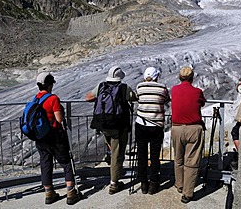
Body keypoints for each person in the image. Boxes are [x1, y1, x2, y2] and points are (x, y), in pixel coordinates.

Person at [85, 66, 137, 195]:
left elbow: (88, 97)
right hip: (118, 125)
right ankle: (114, 183)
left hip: (103, 124)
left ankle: (113, 170)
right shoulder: (124, 88)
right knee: (117, 153)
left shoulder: (101, 86)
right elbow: (134, 97)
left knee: (112, 149)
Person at [34, 72, 81, 205]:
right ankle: (71, 193)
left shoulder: (35, 98)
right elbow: (59, 119)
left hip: (40, 137)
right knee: (66, 162)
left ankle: (49, 193)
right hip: (54, 135)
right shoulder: (53, 99)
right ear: (49, 85)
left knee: (46, 163)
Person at [171, 67, 206, 203]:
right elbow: (202, 102)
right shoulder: (197, 92)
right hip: (193, 128)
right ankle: (187, 192)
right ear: (192, 78)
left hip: (177, 128)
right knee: (191, 161)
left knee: (178, 158)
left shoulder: (174, 90)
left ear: (180, 77)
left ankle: (179, 184)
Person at [135, 67, 170, 195]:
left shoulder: (139, 86)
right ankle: (154, 183)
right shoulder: (162, 88)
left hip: (141, 124)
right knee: (155, 156)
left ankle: (143, 183)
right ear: (156, 77)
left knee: (142, 154)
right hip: (156, 125)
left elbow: (138, 99)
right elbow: (166, 100)